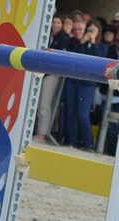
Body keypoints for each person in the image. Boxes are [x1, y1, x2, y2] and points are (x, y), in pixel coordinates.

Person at [65, 20, 106, 150]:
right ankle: (72, 142)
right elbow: (74, 57)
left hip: (88, 84)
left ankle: (88, 144)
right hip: (74, 81)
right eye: (89, 30)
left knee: (83, 114)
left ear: (98, 32)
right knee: (71, 112)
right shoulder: (81, 44)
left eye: (93, 31)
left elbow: (98, 60)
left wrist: (93, 42)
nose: (90, 33)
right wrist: (82, 42)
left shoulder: (101, 46)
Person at [34, 14, 71, 142]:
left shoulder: (63, 38)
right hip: (40, 72)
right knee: (37, 103)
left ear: (62, 25)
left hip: (52, 74)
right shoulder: (47, 35)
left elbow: (61, 58)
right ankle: (37, 131)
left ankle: (42, 134)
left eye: (58, 23)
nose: (55, 25)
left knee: (45, 104)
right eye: (53, 22)